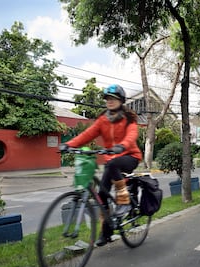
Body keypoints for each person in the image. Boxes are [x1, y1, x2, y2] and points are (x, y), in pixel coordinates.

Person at [60, 84, 142, 246]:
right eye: (107, 99)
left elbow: (132, 135)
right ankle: (106, 233)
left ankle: (124, 201)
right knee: (101, 197)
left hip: (130, 156)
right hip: (111, 160)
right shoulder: (103, 120)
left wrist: (122, 146)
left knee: (112, 165)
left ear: (121, 101)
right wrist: (69, 145)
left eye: (113, 99)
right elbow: (87, 134)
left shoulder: (129, 119)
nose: (110, 102)